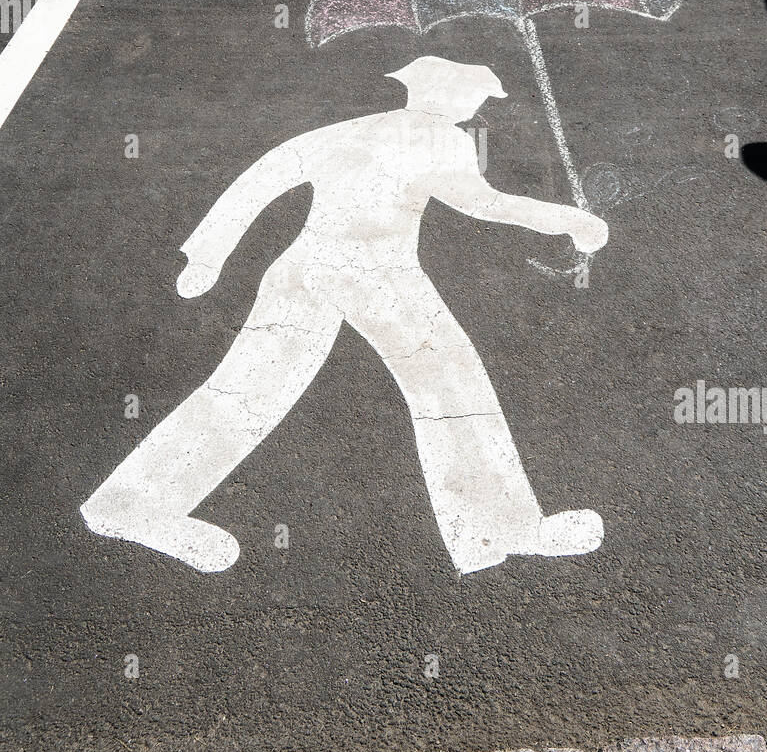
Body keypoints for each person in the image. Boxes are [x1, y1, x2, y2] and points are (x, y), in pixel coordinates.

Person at [81, 57, 608, 575]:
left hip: (303, 268)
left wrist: (207, 256)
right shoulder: (441, 137)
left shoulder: (348, 129)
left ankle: (132, 506)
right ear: (451, 94)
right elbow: (480, 203)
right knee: (450, 384)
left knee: (243, 392)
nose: (477, 108)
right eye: (476, 97)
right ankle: (504, 526)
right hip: (376, 273)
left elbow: (264, 174)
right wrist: (567, 220)